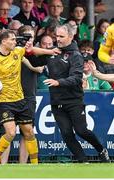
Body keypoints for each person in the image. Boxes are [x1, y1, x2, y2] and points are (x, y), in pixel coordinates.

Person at [0, 29, 60, 164]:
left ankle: (35, 164)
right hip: (3, 101)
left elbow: (33, 51)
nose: (16, 42)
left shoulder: (17, 51)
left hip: (20, 99)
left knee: (29, 133)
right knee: (10, 133)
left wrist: (50, 51)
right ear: (4, 41)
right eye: (13, 39)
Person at [28, 24, 110, 163]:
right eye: (57, 36)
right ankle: (82, 160)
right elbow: (36, 62)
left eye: (61, 36)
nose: (58, 39)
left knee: (81, 130)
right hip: (57, 101)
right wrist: (29, 52)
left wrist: (58, 82)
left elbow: (76, 78)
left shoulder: (76, 55)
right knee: (66, 133)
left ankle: (101, 150)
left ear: (70, 37)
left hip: (74, 100)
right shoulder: (53, 51)